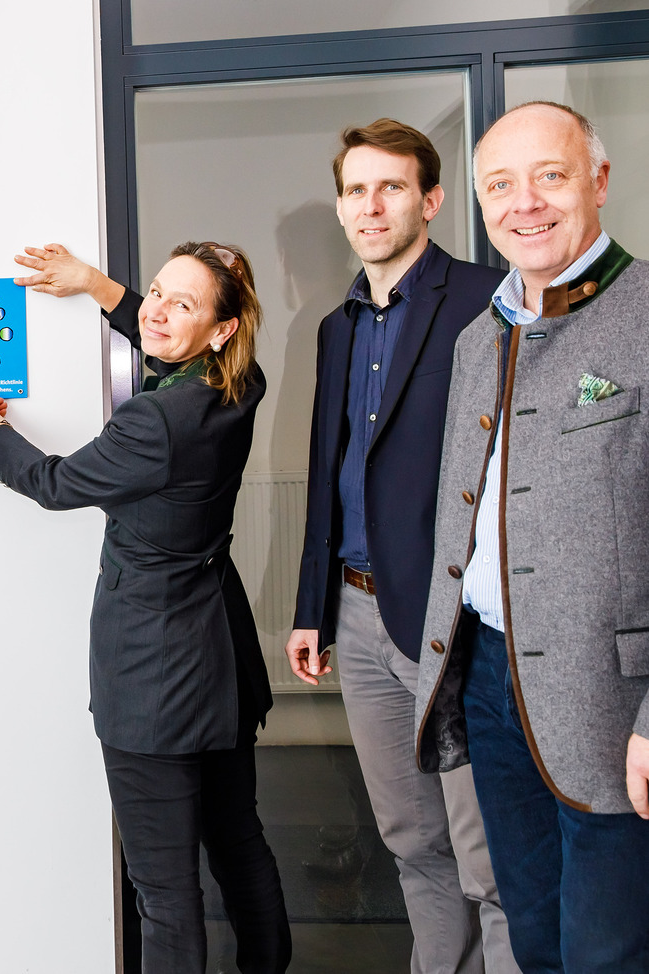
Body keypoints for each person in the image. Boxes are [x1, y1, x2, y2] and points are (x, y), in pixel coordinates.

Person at [0, 240, 291, 973]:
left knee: (164, 891)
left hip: (156, 677)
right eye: (156, 291)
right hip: (219, 661)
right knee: (237, 838)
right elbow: (162, 332)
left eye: (182, 303)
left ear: (220, 327)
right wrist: (98, 286)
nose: (155, 310)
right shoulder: (240, 382)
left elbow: (56, 483)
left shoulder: (156, 421)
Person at [416, 101, 649, 972]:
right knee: (535, 940)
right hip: (490, 681)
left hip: (613, 700)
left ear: (598, 180)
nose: (526, 204)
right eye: (501, 185)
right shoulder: (478, 339)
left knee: (609, 952)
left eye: (550, 175)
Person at [283, 119, 517, 973]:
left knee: (488, 856)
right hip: (358, 610)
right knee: (411, 839)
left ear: (431, 199)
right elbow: (331, 468)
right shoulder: (336, 325)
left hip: (456, 619)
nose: (371, 206)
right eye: (356, 190)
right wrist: (312, 607)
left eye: (391, 187)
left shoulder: (489, 299)